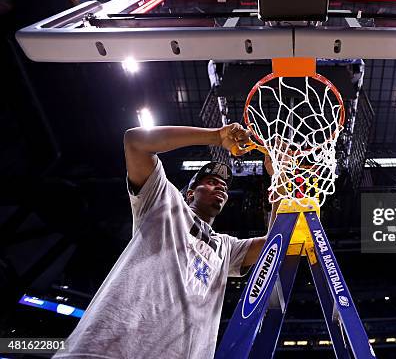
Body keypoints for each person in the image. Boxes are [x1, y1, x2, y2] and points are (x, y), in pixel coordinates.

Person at [54, 124, 271, 359]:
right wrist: (216, 137)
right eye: (210, 181)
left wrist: (277, 179)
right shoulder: (163, 201)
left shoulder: (226, 248)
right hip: (109, 349)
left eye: (224, 186)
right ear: (190, 193)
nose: (220, 185)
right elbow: (135, 141)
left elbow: (276, 243)